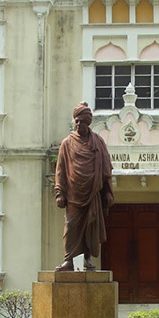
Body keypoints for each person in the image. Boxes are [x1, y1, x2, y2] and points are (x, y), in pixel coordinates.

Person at [54, 102, 114, 271]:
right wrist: (60, 192)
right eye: (77, 121)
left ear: (88, 123)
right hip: (74, 192)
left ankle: (86, 260)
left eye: (82, 121)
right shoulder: (67, 143)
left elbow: (106, 167)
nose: (79, 124)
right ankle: (69, 260)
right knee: (71, 226)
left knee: (90, 225)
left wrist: (108, 191)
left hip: (93, 191)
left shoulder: (98, 142)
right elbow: (61, 169)